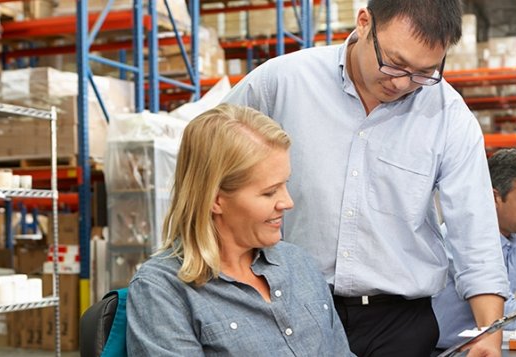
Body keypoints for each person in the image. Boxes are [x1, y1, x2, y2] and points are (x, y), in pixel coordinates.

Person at [223, 1, 509, 355]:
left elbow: (475, 232)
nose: (404, 83)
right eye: (395, 63)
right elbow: (206, 157)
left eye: (425, 72)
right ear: (364, 23)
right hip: (288, 308)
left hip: (398, 325)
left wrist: (488, 332)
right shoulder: (282, 82)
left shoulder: (449, 116)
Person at [126, 104, 353, 356]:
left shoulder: (300, 264)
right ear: (215, 199)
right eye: (269, 192)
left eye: (285, 184)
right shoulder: (162, 290)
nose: (288, 202)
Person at [432, 148, 516, 349]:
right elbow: (502, 308)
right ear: (494, 198)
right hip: (450, 351)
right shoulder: (460, 237)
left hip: (492, 346)